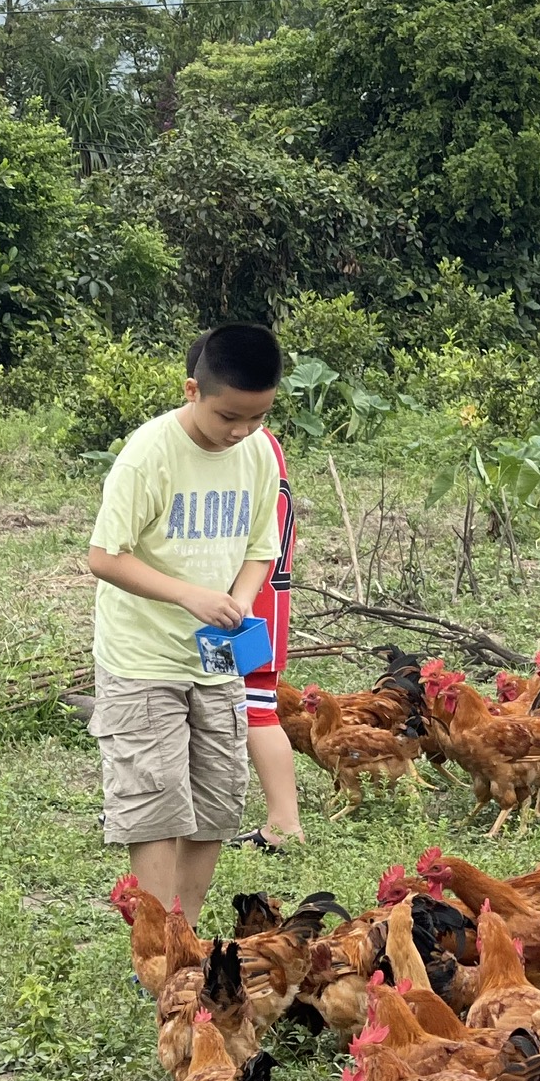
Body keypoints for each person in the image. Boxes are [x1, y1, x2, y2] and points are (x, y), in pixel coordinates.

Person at [83, 323, 284, 923]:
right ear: (192, 390)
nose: (242, 431)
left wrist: (241, 598)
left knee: (215, 800)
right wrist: (192, 597)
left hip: (215, 659)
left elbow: (260, 546)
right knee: (155, 807)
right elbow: (103, 557)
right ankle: (159, 953)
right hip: (142, 659)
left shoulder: (257, 452)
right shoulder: (148, 456)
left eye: (258, 417)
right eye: (229, 417)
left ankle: (186, 934)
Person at [190, 331, 302, 852]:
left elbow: (254, 536)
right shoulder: (256, 443)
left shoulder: (253, 450)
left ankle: (284, 822)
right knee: (242, 706)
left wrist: (233, 597)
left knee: (256, 708)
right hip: (254, 596)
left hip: (249, 600)